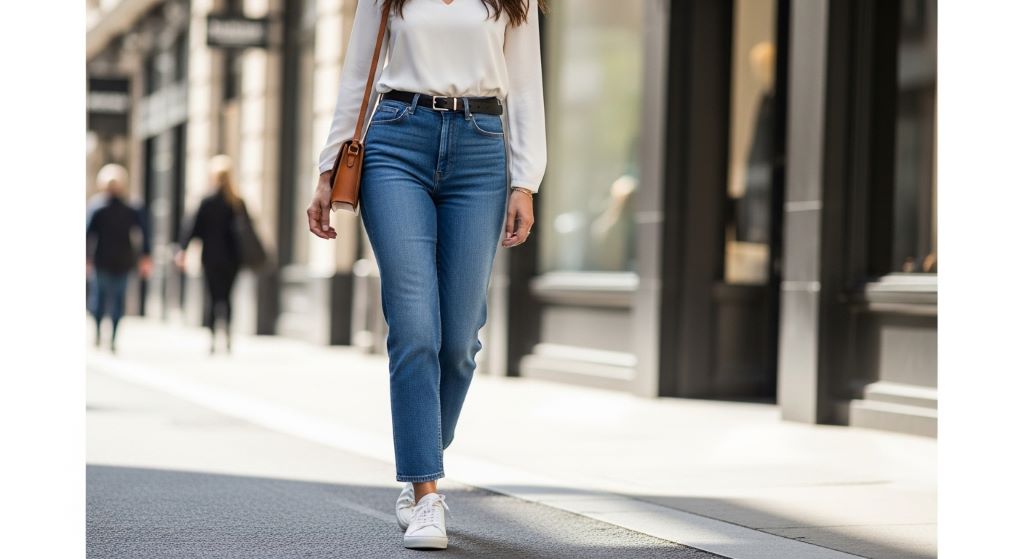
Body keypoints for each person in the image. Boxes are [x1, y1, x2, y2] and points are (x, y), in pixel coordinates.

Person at [306, 0, 547, 550]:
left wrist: (526, 181)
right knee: (415, 327)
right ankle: (427, 492)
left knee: (459, 339)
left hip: (482, 147)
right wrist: (327, 169)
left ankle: (422, 461)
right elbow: (356, 75)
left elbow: (527, 87)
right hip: (396, 141)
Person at [176, 155, 249, 355]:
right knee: (227, 297)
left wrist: (183, 250)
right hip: (233, 258)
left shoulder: (206, 201)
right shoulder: (237, 202)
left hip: (211, 258)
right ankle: (227, 336)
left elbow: (192, 229)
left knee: (212, 297)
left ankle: (212, 339)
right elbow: (248, 231)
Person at [86, 164, 152, 353]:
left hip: (108, 260)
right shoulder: (127, 207)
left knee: (102, 298)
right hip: (118, 260)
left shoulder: (99, 207)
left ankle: (102, 335)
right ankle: (109, 337)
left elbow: (87, 234)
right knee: (113, 299)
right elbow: (144, 234)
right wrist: (145, 256)